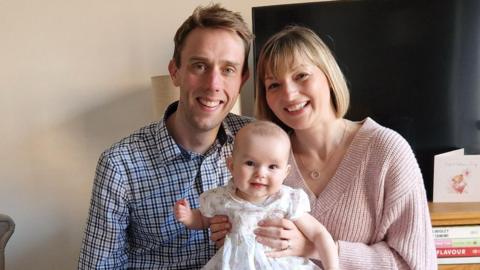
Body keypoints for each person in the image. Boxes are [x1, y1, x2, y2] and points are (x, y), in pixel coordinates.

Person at [212, 26, 437, 269]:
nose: (289, 93)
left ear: (328, 76)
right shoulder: (264, 160)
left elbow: (416, 263)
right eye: (274, 85)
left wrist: (312, 247)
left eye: (301, 76)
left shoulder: (387, 151)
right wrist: (230, 232)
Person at [78, 4, 253, 269]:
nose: (213, 84)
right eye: (199, 66)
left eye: (228, 69)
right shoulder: (120, 165)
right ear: (175, 72)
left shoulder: (259, 142)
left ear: (242, 80)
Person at [174, 121, 339, 270]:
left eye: (272, 166)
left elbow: (319, 234)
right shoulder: (221, 198)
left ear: (286, 172)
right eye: (250, 163)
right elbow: (203, 220)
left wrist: (332, 267)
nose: (260, 173)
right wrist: (188, 217)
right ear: (231, 165)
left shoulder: (286, 200)